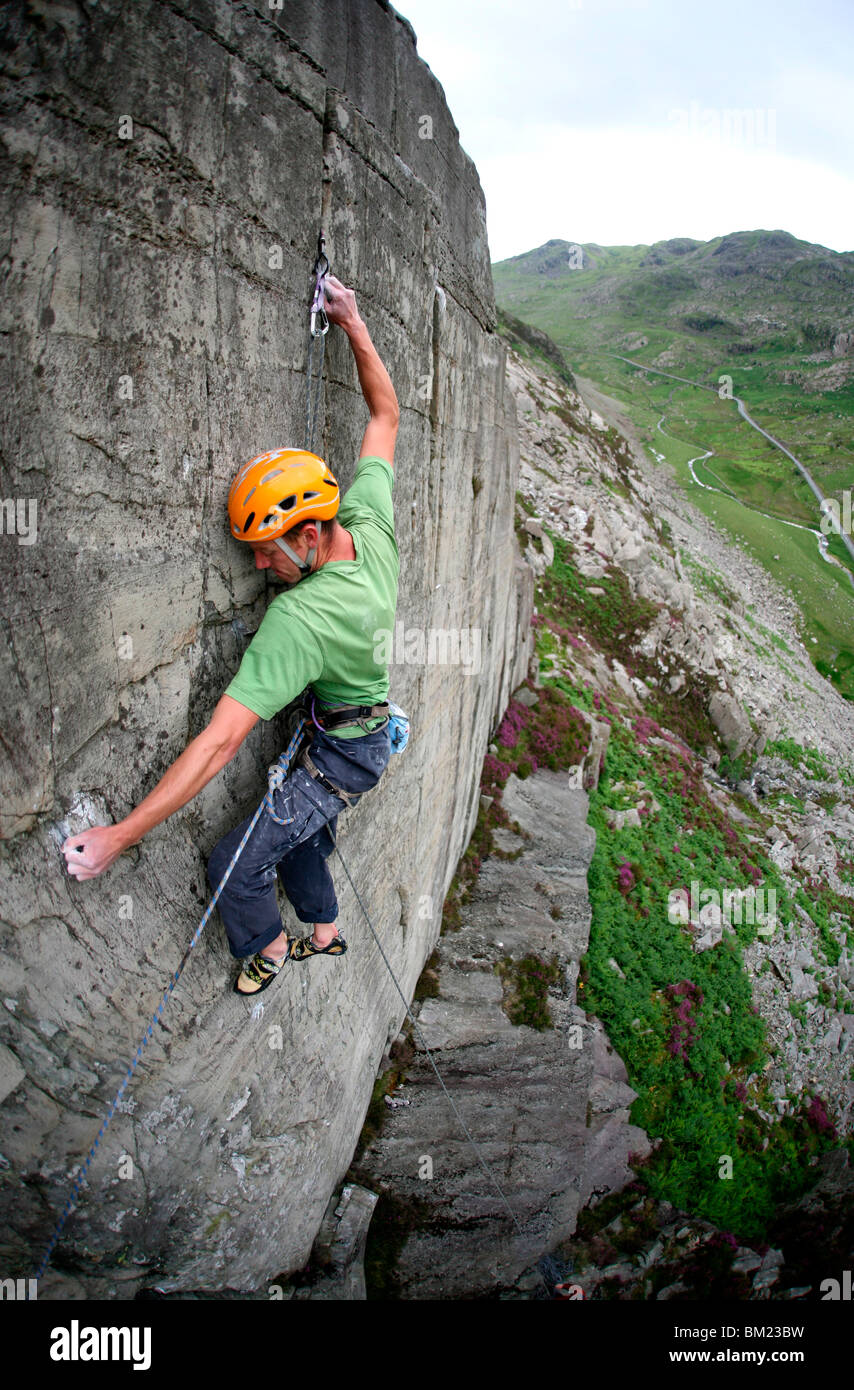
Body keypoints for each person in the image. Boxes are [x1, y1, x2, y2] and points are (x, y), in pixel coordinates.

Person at [62, 275, 400, 996]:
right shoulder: (369, 524)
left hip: (343, 756)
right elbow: (385, 418)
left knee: (238, 863)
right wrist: (353, 323)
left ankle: (270, 946)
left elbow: (218, 743)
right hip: (357, 735)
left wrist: (121, 835)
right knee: (304, 832)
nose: (256, 563)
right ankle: (327, 932)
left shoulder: (300, 618)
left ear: (308, 535)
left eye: (264, 547)